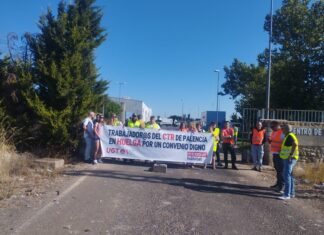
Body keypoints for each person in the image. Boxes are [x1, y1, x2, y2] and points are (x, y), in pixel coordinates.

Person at [278, 124, 299, 200]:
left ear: (286, 129)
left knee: (286, 175)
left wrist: (290, 155)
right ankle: (291, 193)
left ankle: (287, 194)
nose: (282, 130)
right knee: (290, 176)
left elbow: (295, 144)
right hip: (289, 158)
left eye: (283, 129)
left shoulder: (290, 135)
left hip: (290, 158)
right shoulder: (289, 135)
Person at [268, 121, 285, 191]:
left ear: (278, 125)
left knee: (281, 171)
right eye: (271, 127)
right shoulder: (273, 132)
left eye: (273, 127)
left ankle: (281, 186)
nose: (271, 128)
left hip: (280, 155)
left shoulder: (282, 132)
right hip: (275, 153)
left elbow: (285, 143)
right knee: (277, 170)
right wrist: (269, 141)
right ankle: (278, 184)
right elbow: (273, 141)